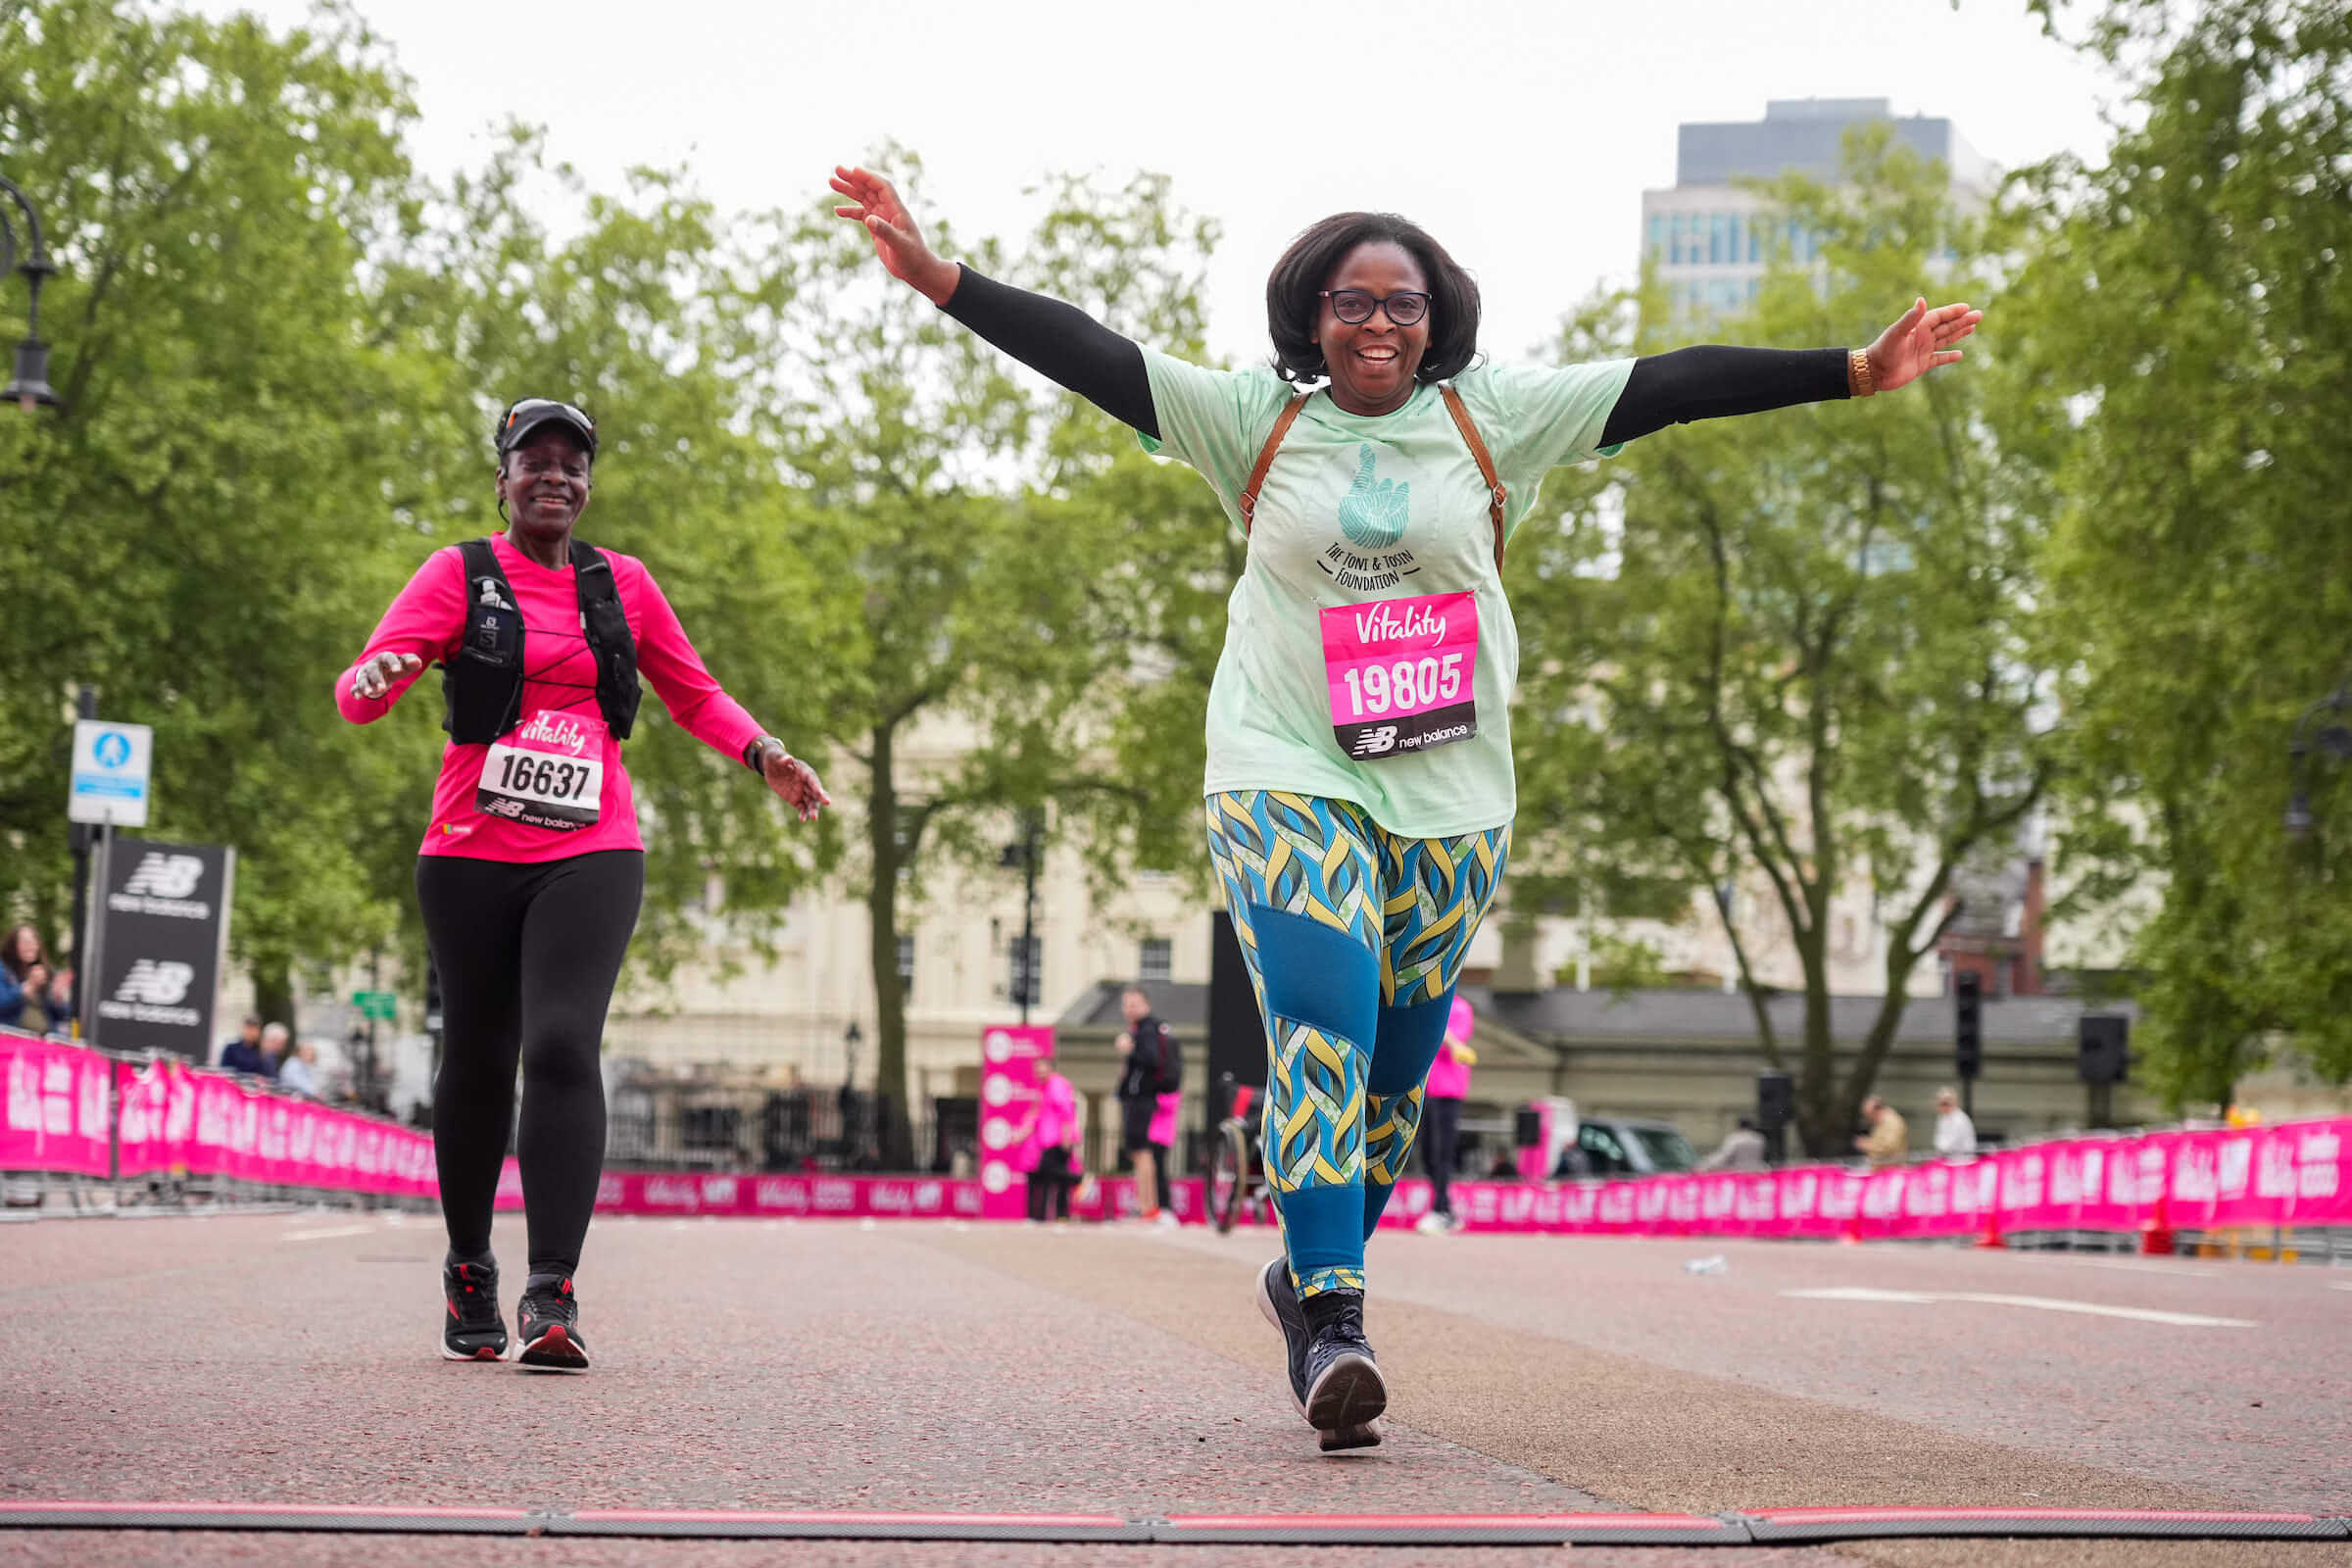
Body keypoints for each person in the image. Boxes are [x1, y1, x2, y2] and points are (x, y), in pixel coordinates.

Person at [832, 165, 1979, 1451]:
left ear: (1440, 321)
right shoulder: (1250, 424)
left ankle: (1302, 1268)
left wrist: (1851, 370)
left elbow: (1673, 382)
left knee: (1388, 1080)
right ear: (1310, 318)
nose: (1376, 324)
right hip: (1284, 772)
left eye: (1403, 304)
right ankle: (1332, 1315)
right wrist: (939, 279)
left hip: (1447, 795)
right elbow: (1091, 355)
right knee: (1317, 1028)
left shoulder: (1499, 419)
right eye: (1350, 302)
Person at [337, 396, 829, 1369]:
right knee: (479, 1056)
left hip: (591, 846)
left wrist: (763, 750)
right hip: (470, 848)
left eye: (573, 463)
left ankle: (550, 1290)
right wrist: (378, 674)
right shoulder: (457, 575)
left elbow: (694, 688)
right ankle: (470, 1264)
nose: (555, 476)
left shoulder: (623, 586)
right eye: (536, 461)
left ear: (588, 483)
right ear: (504, 478)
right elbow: (363, 690)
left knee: (563, 1041)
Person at [1113, 984, 1181, 1225]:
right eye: (1126, 1004)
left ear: (1146, 1005)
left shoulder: (1146, 1030)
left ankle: (1149, 1207)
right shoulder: (1140, 1029)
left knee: (1143, 1153)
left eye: (1134, 1004)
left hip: (1144, 1100)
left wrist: (1129, 1049)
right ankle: (1147, 1207)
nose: (1129, 1009)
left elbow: (1150, 1059)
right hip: (1140, 1099)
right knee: (1139, 1153)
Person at [1413, 996, 1477, 1235]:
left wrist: (1433, 1023)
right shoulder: (1432, 1005)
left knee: (1443, 1152)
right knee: (1428, 1152)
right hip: (1427, 1089)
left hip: (1449, 1091)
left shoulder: (1460, 1007)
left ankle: (1441, 1209)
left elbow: (1451, 1041)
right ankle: (1444, 1208)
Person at [1017, 1047, 1081, 1224]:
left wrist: (1066, 1137)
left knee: (1048, 1169)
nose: (1040, 1075)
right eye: (1038, 1072)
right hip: (1052, 1138)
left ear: (1051, 1070)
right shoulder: (1045, 1089)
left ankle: (1080, 1179)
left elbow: (1066, 1111)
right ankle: (1063, 1214)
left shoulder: (1056, 1085)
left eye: (1044, 1071)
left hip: (1058, 1139)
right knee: (1060, 1179)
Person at [0, 926, 56, 1035]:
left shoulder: (43, 971)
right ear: (13, 947)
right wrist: (28, 987)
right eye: (25, 942)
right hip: (15, 1042)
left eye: (34, 942)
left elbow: (59, 1015)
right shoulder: (3, 970)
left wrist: (57, 998)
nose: (31, 947)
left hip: (47, 1040)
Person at [1699, 1116, 1768, 1172]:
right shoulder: (1759, 1138)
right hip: (1757, 1171)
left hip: (1739, 1172)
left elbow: (1725, 1156)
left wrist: (1707, 1163)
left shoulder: (1735, 1138)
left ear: (1739, 1126)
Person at [1856, 1096, 1909, 1166]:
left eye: (1869, 1115)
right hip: (1884, 1168)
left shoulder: (1892, 1122)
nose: (1869, 1119)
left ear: (1877, 1111)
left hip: (1890, 1169)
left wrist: (1867, 1145)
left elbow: (1890, 1146)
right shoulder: (1882, 1122)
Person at [1933, 1087, 1978, 1156]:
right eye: (1941, 1104)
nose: (1943, 1107)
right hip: (1948, 1159)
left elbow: (1948, 1145)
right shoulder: (1942, 1118)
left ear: (1954, 1102)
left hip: (1962, 1160)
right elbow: (1938, 1140)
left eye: (1946, 1103)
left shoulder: (1959, 1119)